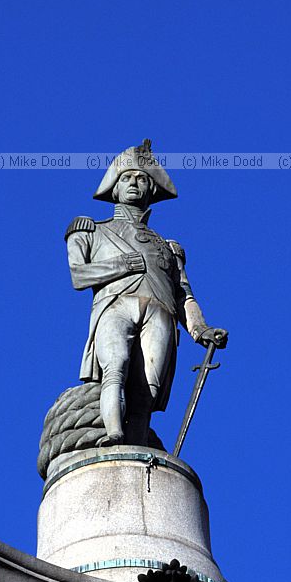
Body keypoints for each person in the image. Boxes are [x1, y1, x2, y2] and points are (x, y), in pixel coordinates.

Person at [65, 139, 227, 447]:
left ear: (152, 188)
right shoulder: (91, 230)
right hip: (115, 304)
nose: (134, 183)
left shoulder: (169, 248)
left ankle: (133, 448)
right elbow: (79, 276)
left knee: (147, 391)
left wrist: (201, 329)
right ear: (115, 186)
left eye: (142, 178)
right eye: (127, 178)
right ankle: (113, 435)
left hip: (161, 311)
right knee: (116, 367)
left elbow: (183, 295)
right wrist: (122, 264)